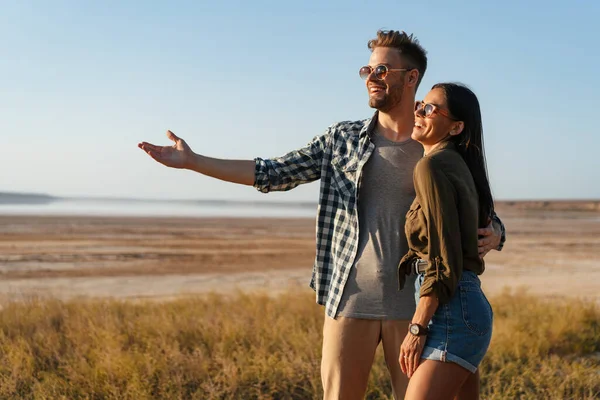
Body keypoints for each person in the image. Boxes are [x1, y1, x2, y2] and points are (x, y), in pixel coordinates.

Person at [138, 30, 506, 400]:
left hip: (417, 309)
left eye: (382, 69)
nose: (371, 77)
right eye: (367, 70)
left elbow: (472, 205)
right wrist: (193, 161)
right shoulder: (341, 139)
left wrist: (497, 231)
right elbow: (273, 172)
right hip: (349, 300)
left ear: (411, 77)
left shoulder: (435, 141)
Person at [398, 83, 496, 400]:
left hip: (451, 309)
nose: (418, 111)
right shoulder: (458, 164)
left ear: (456, 126)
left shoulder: (431, 165)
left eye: (429, 108)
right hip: (464, 305)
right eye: (419, 104)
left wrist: (417, 328)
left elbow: (443, 257)